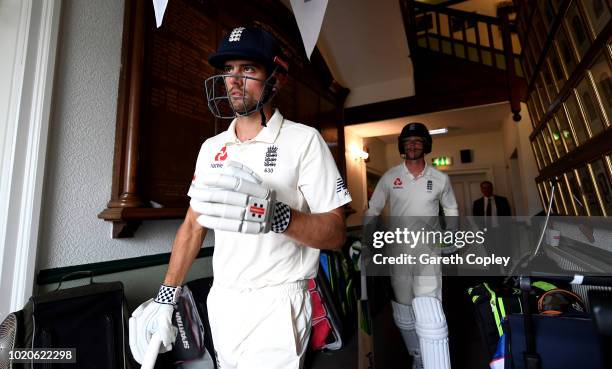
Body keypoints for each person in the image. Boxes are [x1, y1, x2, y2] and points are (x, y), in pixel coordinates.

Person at [129, 26, 352, 369]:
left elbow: (336, 234)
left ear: (276, 79)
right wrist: (166, 296)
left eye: (247, 69)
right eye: (227, 69)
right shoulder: (211, 148)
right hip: (224, 301)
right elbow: (193, 226)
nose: (233, 79)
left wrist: (279, 217)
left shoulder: (304, 141)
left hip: (278, 303)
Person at [364, 122, 458, 369]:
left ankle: (433, 362)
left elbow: (451, 208)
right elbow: (373, 209)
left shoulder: (440, 178)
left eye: (417, 141)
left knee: (428, 306)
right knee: (404, 308)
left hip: (428, 250)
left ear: (426, 145)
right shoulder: (390, 177)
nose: (413, 145)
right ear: (402, 147)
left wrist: (450, 234)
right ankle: (417, 355)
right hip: (398, 251)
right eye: (408, 142)